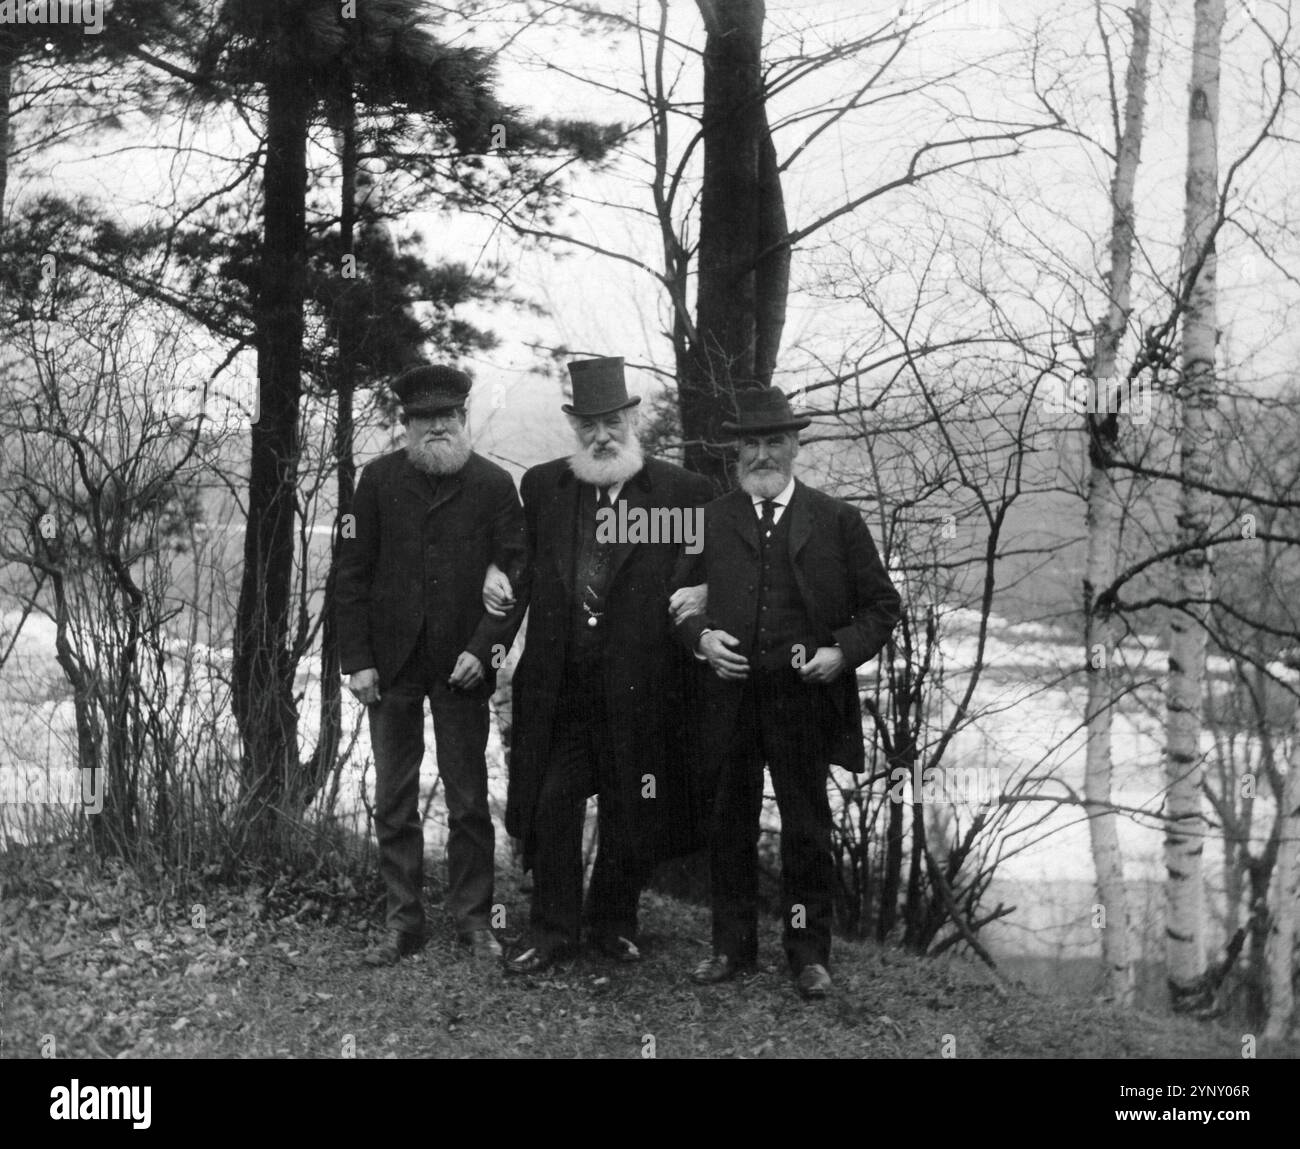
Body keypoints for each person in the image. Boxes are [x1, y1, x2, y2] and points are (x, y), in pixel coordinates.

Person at [671, 386, 901, 999]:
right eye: (751, 443)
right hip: (730, 698)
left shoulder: (837, 520)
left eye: (774, 441)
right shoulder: (710, 521)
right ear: (736, 453)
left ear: (795, 446)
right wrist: (700, 639)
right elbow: (676, 602)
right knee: (730, 825)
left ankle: (807, 954)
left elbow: (883, 606)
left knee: (805, 828)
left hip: (802, 699)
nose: (763, 454)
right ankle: (731, 948)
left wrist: (841, 652)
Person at [486, 356, 712, 974]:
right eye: (588, 425)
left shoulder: (680, 493)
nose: (601, 436)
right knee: (553, 802)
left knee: (630, 805)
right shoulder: (543, 488)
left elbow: (707, 570)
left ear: (631, 418)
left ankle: (614, 923)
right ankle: (553, 929)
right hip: (561, 689)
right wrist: (492, 572)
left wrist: (706, 595)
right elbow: (516, 558)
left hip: (643, 689)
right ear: (573, 425)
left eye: (612, 422)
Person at [336, 363, 525, 965]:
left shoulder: (496, 487)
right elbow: (351, 574)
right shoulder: (378, 481)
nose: (436, 428)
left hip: (462, 666)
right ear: (406, 424)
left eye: (446, 417)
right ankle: (403, 922)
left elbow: (516, 581)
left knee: (469, 800)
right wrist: (358, 660)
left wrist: (484, 650)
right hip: (391, 666)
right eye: (424, 419)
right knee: (394, 799)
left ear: (463, 419)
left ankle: (474, 923)